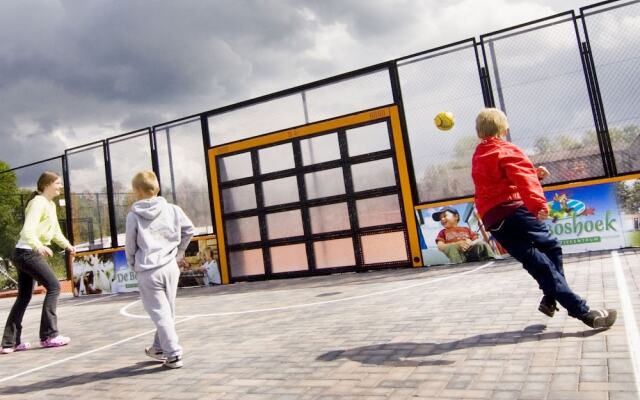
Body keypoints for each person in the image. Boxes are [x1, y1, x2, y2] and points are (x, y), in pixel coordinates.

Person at [471, 108, 616, 329]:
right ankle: (575, 308)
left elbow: (498, 181)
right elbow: (522, 179)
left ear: (478, 131)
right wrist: (538, 204)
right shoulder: (507, 149)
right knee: (551, 248)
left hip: (493, 219)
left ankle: (555, 300)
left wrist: (533, 174)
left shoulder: (478, 155)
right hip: (514, 210)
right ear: (504, 128)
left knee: (537, 263)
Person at [125, 171, 194, 369]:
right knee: (167, 312)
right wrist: (179, 253)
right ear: (156, 188)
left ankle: (173, 354)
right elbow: (189, 229)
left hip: (148, 270)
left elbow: (130, 245)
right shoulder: (173, 209)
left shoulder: (134, 216)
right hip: (170, 267)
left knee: (161, 313)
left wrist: (133, 265)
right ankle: (158, 348)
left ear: (136, 191)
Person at [1, 171, 76, 354]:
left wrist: (68, 246)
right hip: (27, 253)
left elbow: (56, 232)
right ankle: (49, 336)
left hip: (24, 253)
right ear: (48, 184)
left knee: (24, 296)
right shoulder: (38, 203)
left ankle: (9, 343)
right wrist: (39, 246)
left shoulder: (49, 204)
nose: (60, 186)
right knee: (54, 287)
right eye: (57, 183)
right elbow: (27, 232)